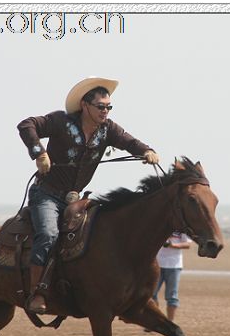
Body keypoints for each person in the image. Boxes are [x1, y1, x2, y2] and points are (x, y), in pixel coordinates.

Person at [18, 77, 159, 314]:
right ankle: (37, 292)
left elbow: (129, 141)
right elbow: (27, 124)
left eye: (108, 107)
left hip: (75, 199)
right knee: (49, 234)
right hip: (46, 195)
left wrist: (147, 150)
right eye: (101, 107)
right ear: (85, 105)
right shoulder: (60, 121)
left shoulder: (108, 130)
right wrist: (38, 153)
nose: (105, 111)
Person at [153, 232, 191, 321]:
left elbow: (188, 244)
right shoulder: (160, 226)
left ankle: (170, 323)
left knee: (172, 296)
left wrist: (172, 245)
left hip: (174, 265)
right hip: (157, 264)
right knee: (151, 294)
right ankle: (155, 321)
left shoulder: (181, 228)